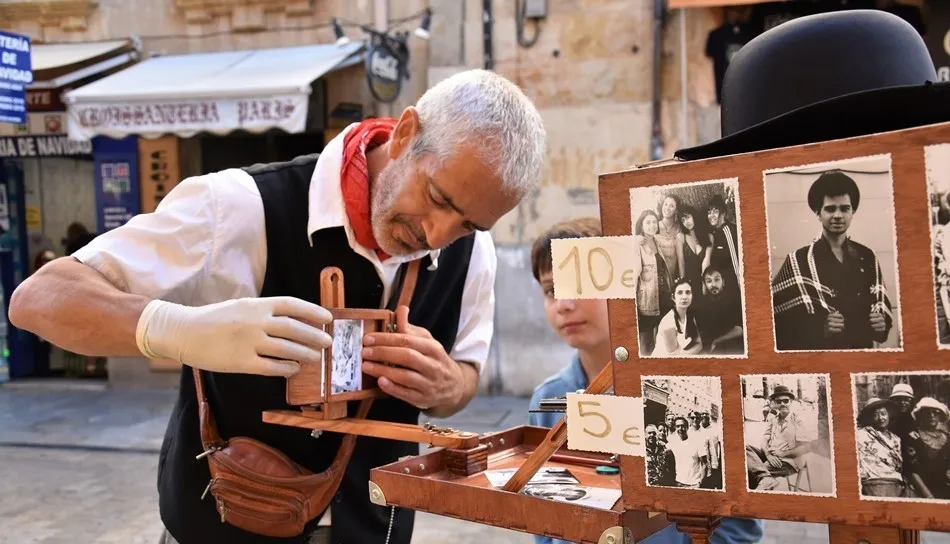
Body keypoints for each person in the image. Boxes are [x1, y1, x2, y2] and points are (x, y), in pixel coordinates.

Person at [8, 69, 548, 544]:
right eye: (437, 198)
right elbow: (39, 299)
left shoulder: (473, 253)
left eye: (468, 224)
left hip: (375, 528)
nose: (437, 235)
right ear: (405, 133)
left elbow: (465, 379)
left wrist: (447, 387)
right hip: (225, 522)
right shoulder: (238, 206)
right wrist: (181, 330)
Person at [527, 217, 764, 544]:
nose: (564, 305)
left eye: (580, 286)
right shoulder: (549, 399)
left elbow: (736, 527)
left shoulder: (692, 390)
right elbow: (544, 520)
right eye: (552, 290)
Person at [770, 171, 894, 351]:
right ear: (818, 213)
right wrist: (820, 328)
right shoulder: (798, 261)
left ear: (852, 212)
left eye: (844, 208)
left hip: (861, 354)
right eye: (830, 209)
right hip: (820, 356)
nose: (838, 215)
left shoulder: (867, 256)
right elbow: (777, 318)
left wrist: (881, 325)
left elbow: (881, 314)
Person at [745, 386, 815, 491]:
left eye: (786, 401)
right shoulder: (773, 419)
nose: (782, 404)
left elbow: (806, 447)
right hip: (771, 455)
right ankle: (765, 479)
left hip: (789, 460)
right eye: (779, 401)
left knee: (753, 472)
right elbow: (764, 440)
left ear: (791, 402)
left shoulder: (798, 420)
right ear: (775, 403)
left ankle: (763, 483)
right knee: (745, 449)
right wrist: (768, 455)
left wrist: (783, 454)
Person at [855, 397, 905, 497]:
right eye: (875, 415)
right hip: (874, 483)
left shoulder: (896, 439)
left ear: (889, 415)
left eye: (883, 413)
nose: (881, 418)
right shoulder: (861, 435)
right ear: (870, 418)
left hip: (896, 482)